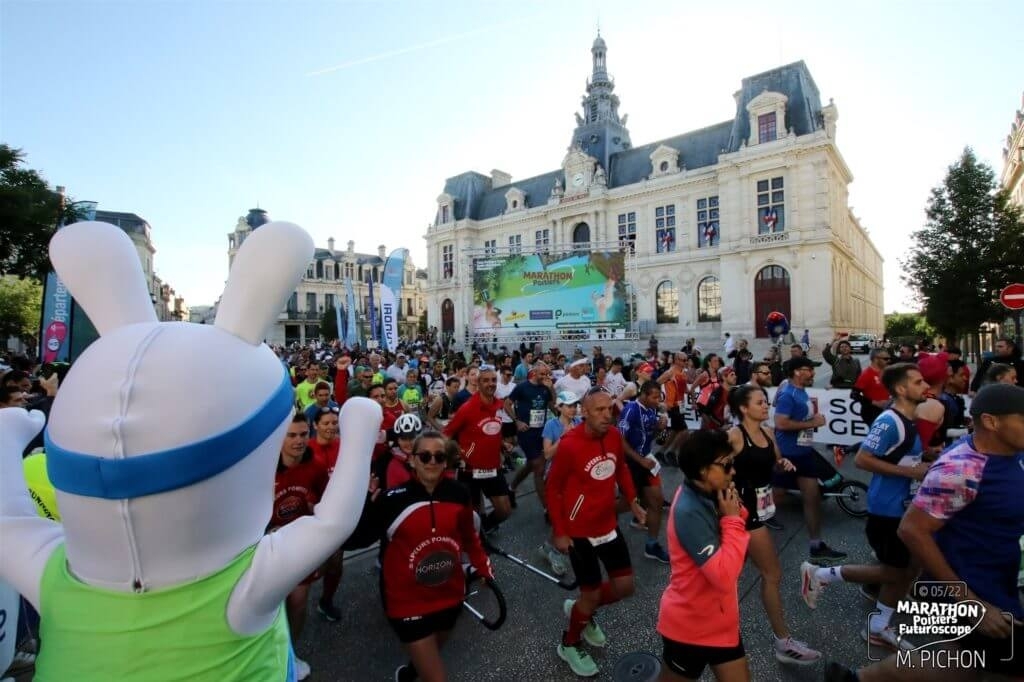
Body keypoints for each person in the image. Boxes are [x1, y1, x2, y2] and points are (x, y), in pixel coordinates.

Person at [824, 384, 1024, 681]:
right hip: (970, 589)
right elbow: (911, 530)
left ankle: (854, 679)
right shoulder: (960, 470)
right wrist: (970, 601)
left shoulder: (1013, 452)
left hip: (1001, 576)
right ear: (991, 422)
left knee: (961, 666)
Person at [801, 363, 930, 652]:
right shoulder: (889, 421)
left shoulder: (908, 420)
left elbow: (906, 458)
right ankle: (821, 575)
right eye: (919, 382)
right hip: (888, 510)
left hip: (906, 506)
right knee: (898, 572)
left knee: (909, 568)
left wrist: (936, 457)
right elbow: (863, 460)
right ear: (900, 389)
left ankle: (878, 623)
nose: (926, 387)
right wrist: (914, 473)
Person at [375, 430, 495, 682]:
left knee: (433, 648)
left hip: (448, 592)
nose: (432, 461)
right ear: (412, 459)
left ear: (446, 461)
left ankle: (409, 673)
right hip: (406, 600)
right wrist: (365, 501)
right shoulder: (391, 500)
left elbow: (469, 538)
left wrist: (482, 566)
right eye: (425, 456)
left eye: (439, 456)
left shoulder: (459, 493)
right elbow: (358, 538)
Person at [546, 387, 647, 678]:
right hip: (579, 533)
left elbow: (621, 471)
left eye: (609, 409)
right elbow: (553, 489)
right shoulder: (569, 444)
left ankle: (581, 611)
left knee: (625, 587)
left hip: (607, 526)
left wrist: (633, 502)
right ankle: (569, 642)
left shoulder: (614, 436)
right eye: (600, 410)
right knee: (589, 596)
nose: (607, 415)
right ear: (585, 413)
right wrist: (560, 531)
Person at [726, 385, 820, 664]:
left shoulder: (767, 432)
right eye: (759, 402)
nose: (766, 406)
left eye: (766, 402)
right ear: (744, 408)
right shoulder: (733, 436)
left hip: (761, 509)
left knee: (729, 576)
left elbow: (776, 462)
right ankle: (783, 642)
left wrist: (783, 466)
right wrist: (729, 503)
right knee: (771, 574)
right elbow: (715, 471)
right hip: (743, 515)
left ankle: (705, 626)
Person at [657, 429, 750, 681]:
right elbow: (723, 575)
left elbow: (738, 535)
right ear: (702, 470)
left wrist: (735, 516)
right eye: (727, 465)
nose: (733, 471)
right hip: (690, 627)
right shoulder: (689, 510)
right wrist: (732, 520)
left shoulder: (712, 494)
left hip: (721, 621)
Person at [269, 414, 329, 680]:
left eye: (304, 434)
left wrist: (318, 514)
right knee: (271, 603)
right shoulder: (265, 467)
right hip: (266, 546)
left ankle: (289, 652)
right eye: (292, 435)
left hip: (299, 542)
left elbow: (325, 500)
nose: (299, 440)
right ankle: (267, 652)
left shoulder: (314, 466)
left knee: (298, 600)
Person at [773, 357, 847, 561]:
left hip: (803, 453)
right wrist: (811, 423)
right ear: (797, 372)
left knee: (812, 498)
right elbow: (781, 423)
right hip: (787, 455)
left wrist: (810, 422)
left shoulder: (801, 390)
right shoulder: (788, 393)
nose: (813, 373)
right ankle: (742, 528)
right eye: (809, 370)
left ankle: (816, 545)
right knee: (773, 499)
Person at [444, 367, 510, 531]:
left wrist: (502, 444)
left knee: (504, 511)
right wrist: (453, 455)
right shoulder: (467, 408)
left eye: (494, 380)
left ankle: (484, 529)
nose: (491, 384)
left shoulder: (498, 405)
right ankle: (476, 539)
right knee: (470, 515)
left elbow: (492, 430)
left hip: (493, 467)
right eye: (486, 380)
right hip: (470, 469)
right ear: (478, 383)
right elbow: (446, 434)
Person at [619, 380, 671, 563]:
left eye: (659, 397)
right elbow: (620, 441)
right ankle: (596, 518)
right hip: (631, 463)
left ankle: (652, 545)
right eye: (655, 397)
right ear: (644, 394)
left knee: (656, 502)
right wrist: (639, 460)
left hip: (647, 460)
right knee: (625, 503)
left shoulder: (651, 409)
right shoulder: (631, 410)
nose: (658, 401)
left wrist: (659, 428)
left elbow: (651, 437)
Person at [507, 362, 556, 514]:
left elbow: (553, 406)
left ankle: (511, 488)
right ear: (534, 373)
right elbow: (507, 404)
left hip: (540, 431)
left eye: (547, 374)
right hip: (526, 432)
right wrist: (517, 421)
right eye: (542, 374)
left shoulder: (545, 387)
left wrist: (551, 388)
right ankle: (547, 508)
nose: (545, 377)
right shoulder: (522, 387)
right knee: (539, 467)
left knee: (532, 465)